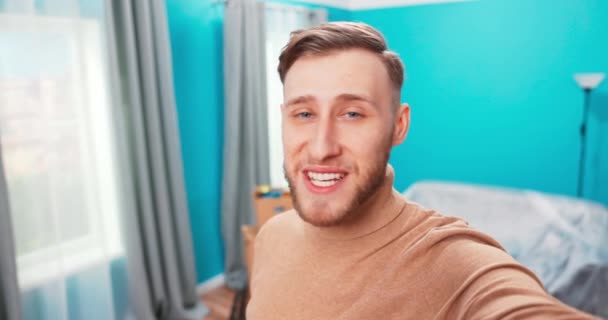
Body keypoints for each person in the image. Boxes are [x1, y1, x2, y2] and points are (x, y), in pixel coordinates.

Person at [246, 22, 596, 320]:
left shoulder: (457, 267)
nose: (322, 148)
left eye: (352, 113)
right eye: (304, 114)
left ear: (399, 125)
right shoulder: (271, 236)